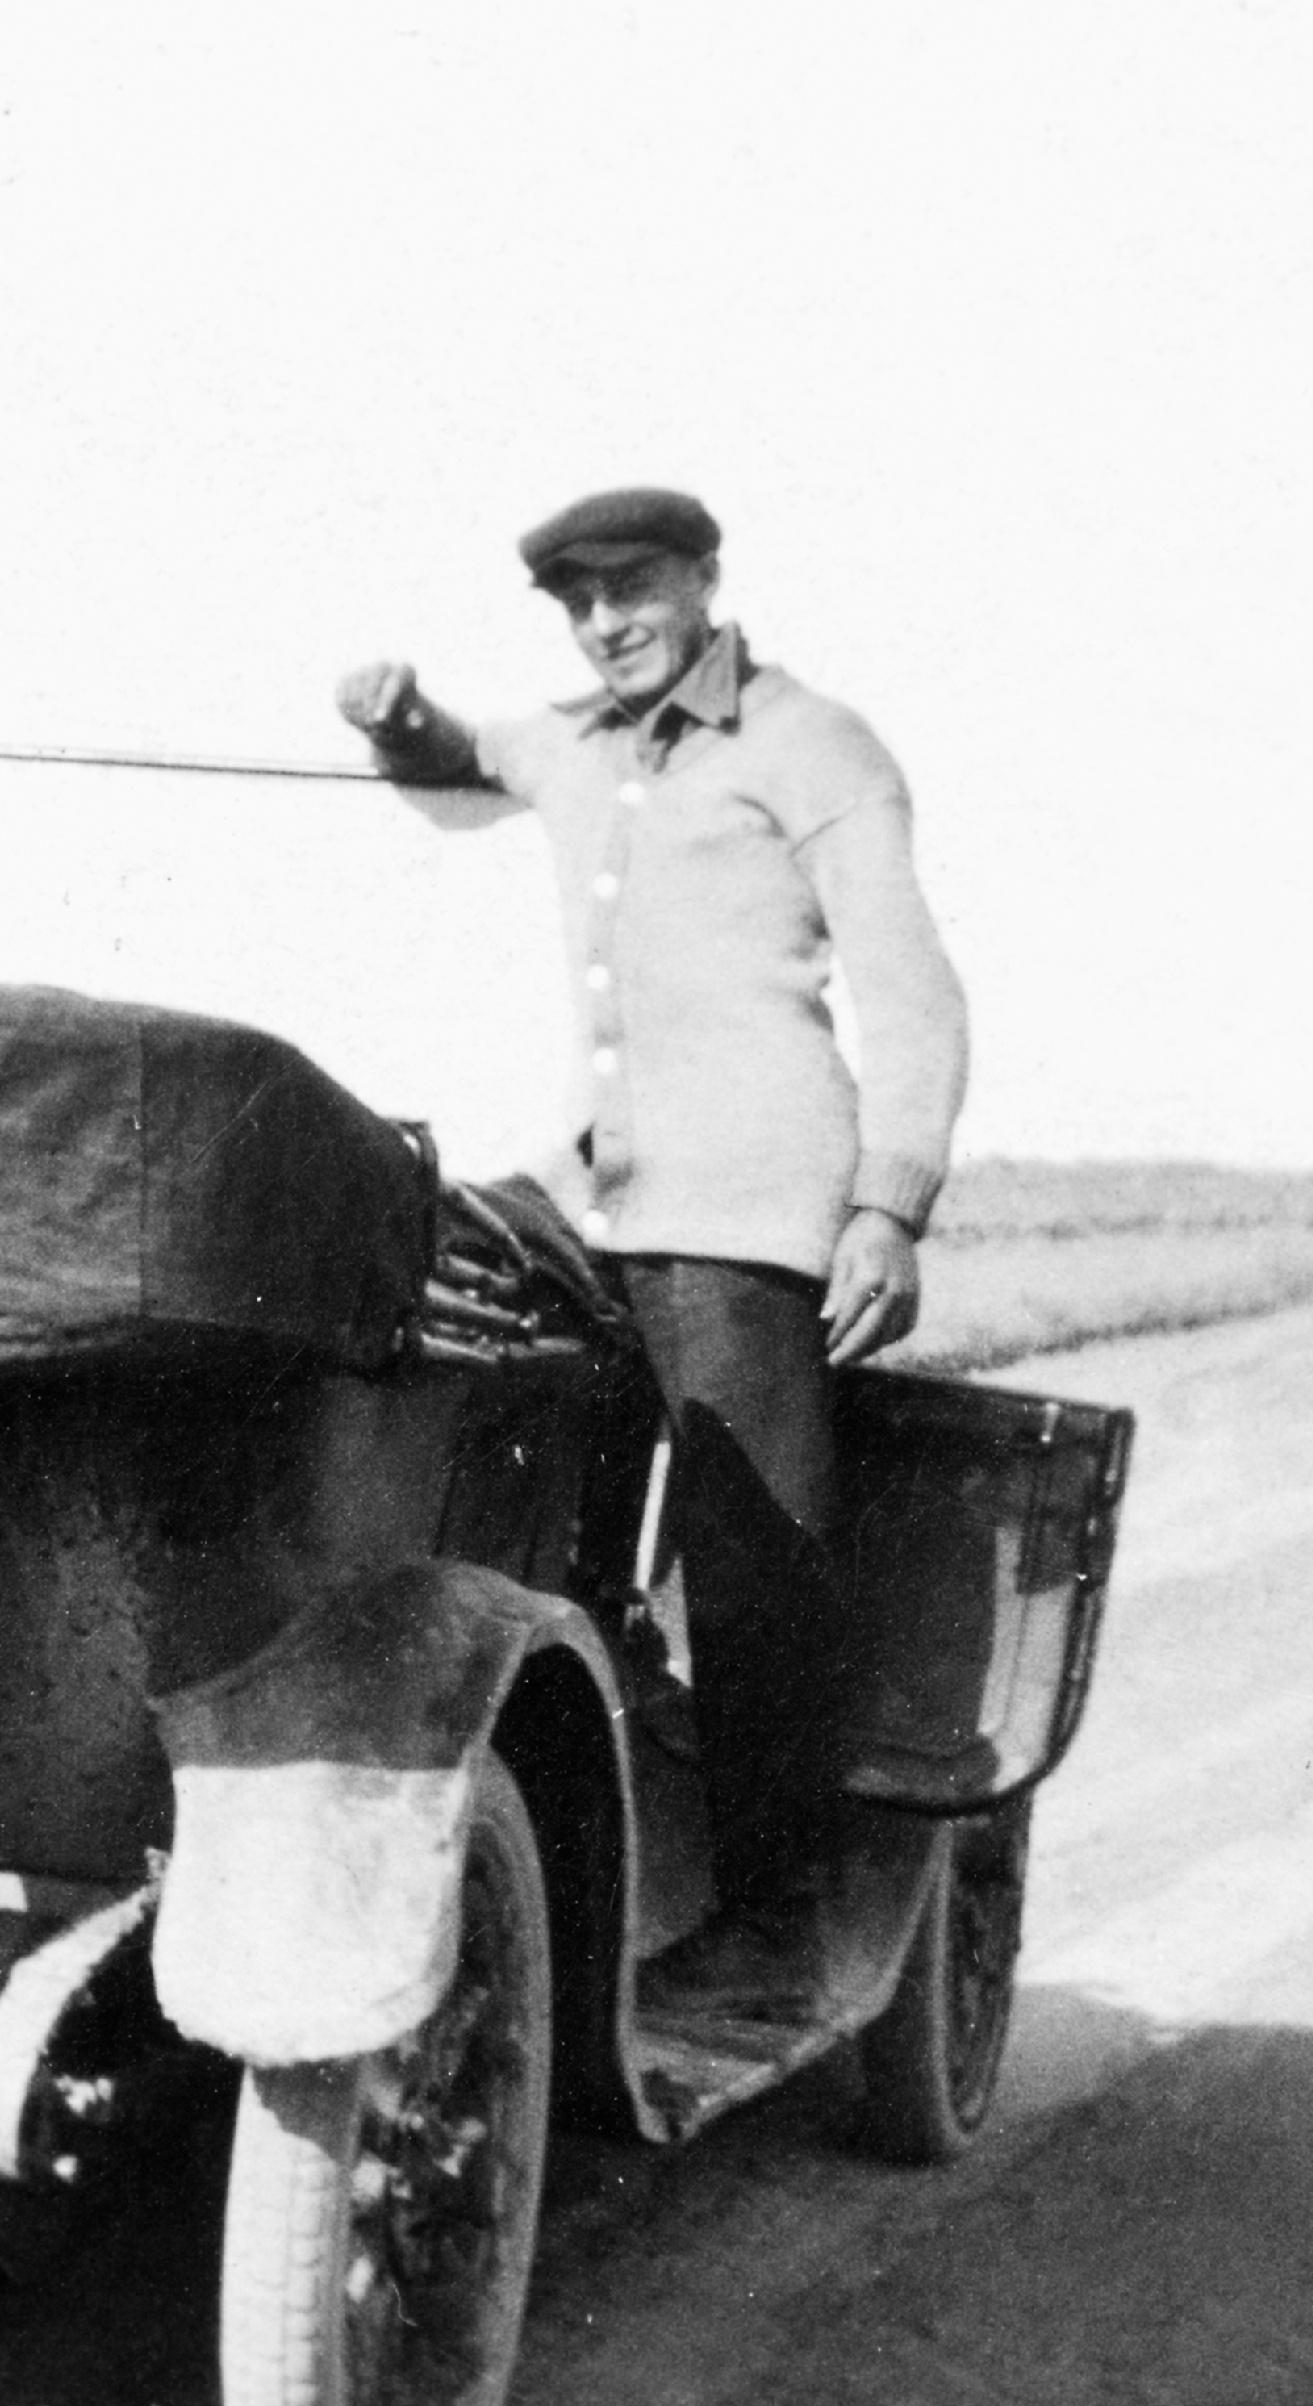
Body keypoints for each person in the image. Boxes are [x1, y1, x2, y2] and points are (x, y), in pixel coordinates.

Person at [337, 485, 968, 2003]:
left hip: (746, 1206)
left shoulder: (810, 744)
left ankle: (773, 1924)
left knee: (754, 1566)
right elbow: (457, 760)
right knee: (457, 1346)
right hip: (594, 1194)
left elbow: (912, 985)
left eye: (632, 589)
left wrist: (886, 1201)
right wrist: (396, 714)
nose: (605, 621)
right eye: (578, 602)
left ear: (702, 579)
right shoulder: (576, 741)